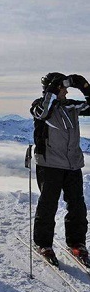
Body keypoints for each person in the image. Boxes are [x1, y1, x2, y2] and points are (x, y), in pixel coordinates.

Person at [30, 72, 90, 265]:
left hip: (72, 164)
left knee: (77, 206)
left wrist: (85, 87)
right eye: (63, 87)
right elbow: (43, 113)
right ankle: (44, 243)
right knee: (48, 205)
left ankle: (77, 243)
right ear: (54, 88)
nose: (66, 90)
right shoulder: (40, 105)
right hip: (49, 164)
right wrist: (53, 89)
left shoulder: (70, 105)